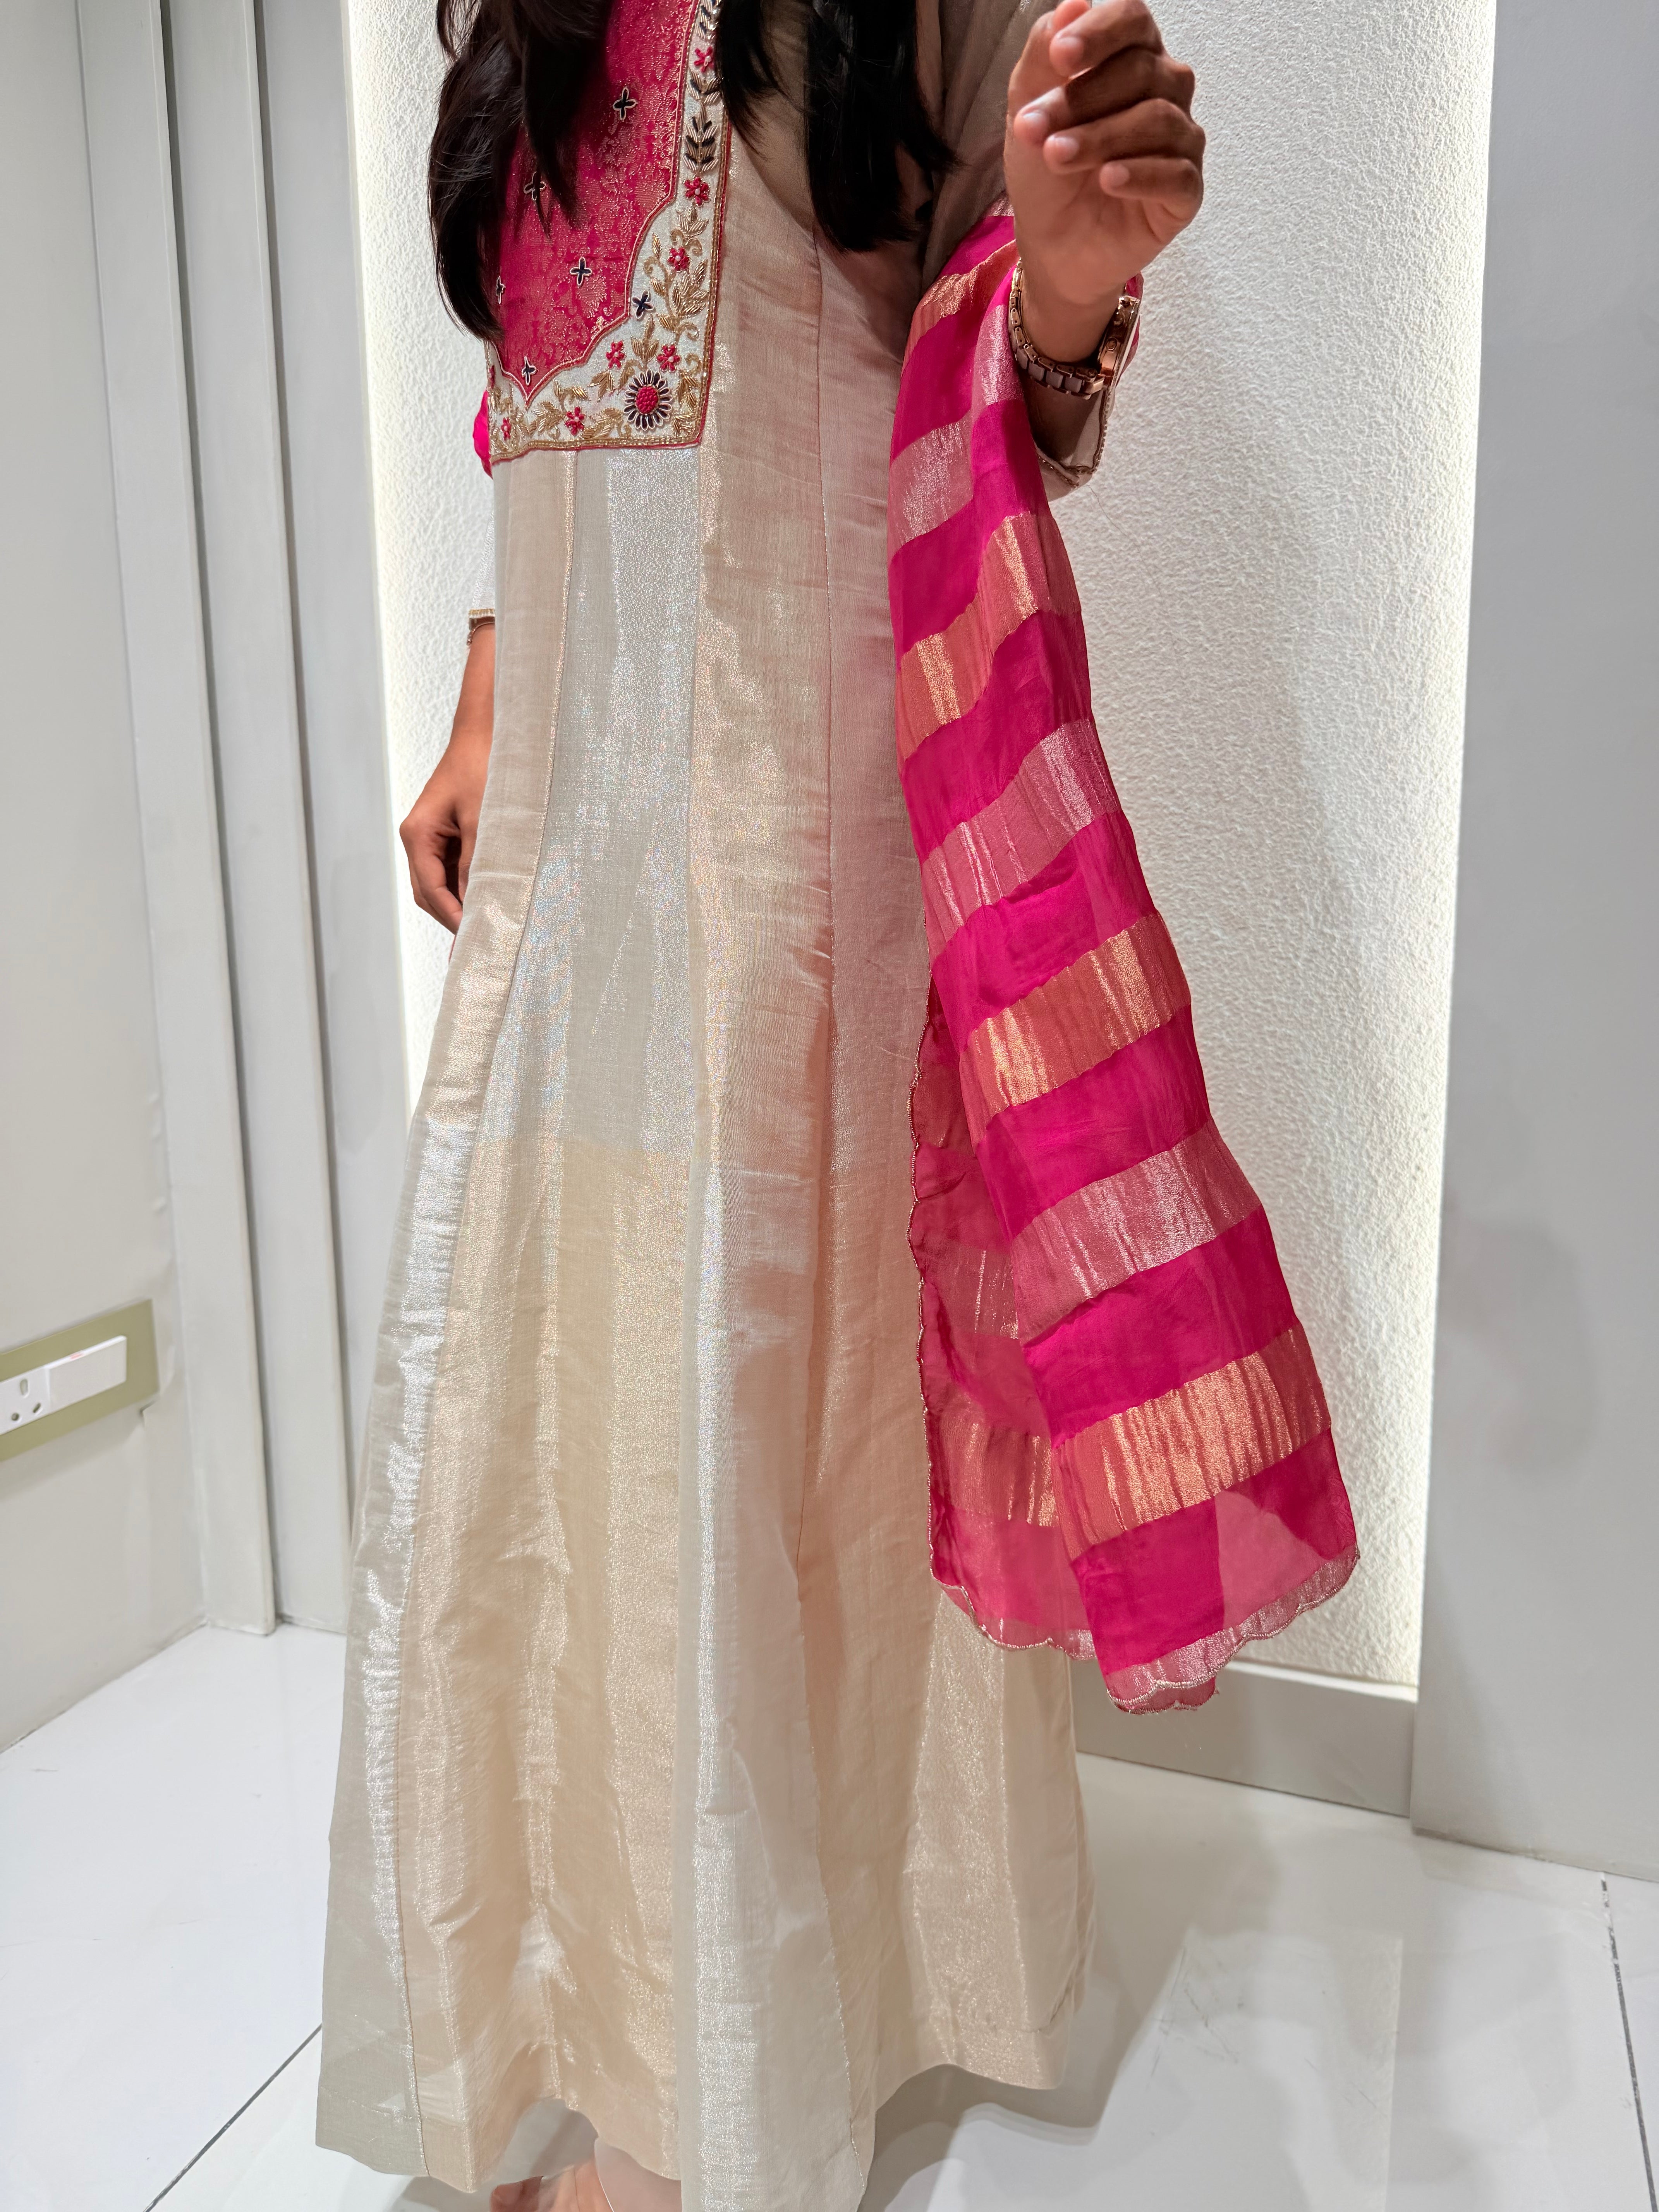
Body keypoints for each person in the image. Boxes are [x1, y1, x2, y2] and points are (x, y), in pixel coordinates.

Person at [319, 3, 1354, 2207]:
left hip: (798, 838)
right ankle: (580, 1986)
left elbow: (1010, 345)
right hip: (577, 829)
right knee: (574, 1387)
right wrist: (494, 685)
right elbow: (538, 369)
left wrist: (1068, 283)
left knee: (775, 1402)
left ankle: (723, 2081)